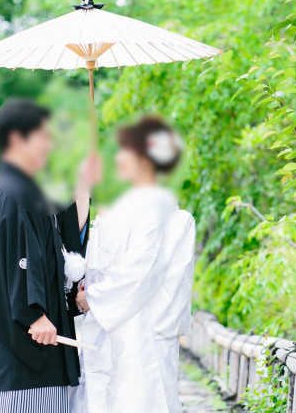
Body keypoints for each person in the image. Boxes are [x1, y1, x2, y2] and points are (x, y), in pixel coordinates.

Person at [0, 98, 100, 413]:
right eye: (43, 136)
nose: (50, 144)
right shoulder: (13, 194)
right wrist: (35, 315)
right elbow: (16, 267)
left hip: (34, 361)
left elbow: (56, 253)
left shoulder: (26, 193)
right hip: (24, 365)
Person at [67, 116, 196, 413]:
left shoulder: (154, 204)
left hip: (138, 327)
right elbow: (106, 257)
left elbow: (140, 270)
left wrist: (94, 297)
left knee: (137, 399)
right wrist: (90, 278)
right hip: (117, 322)